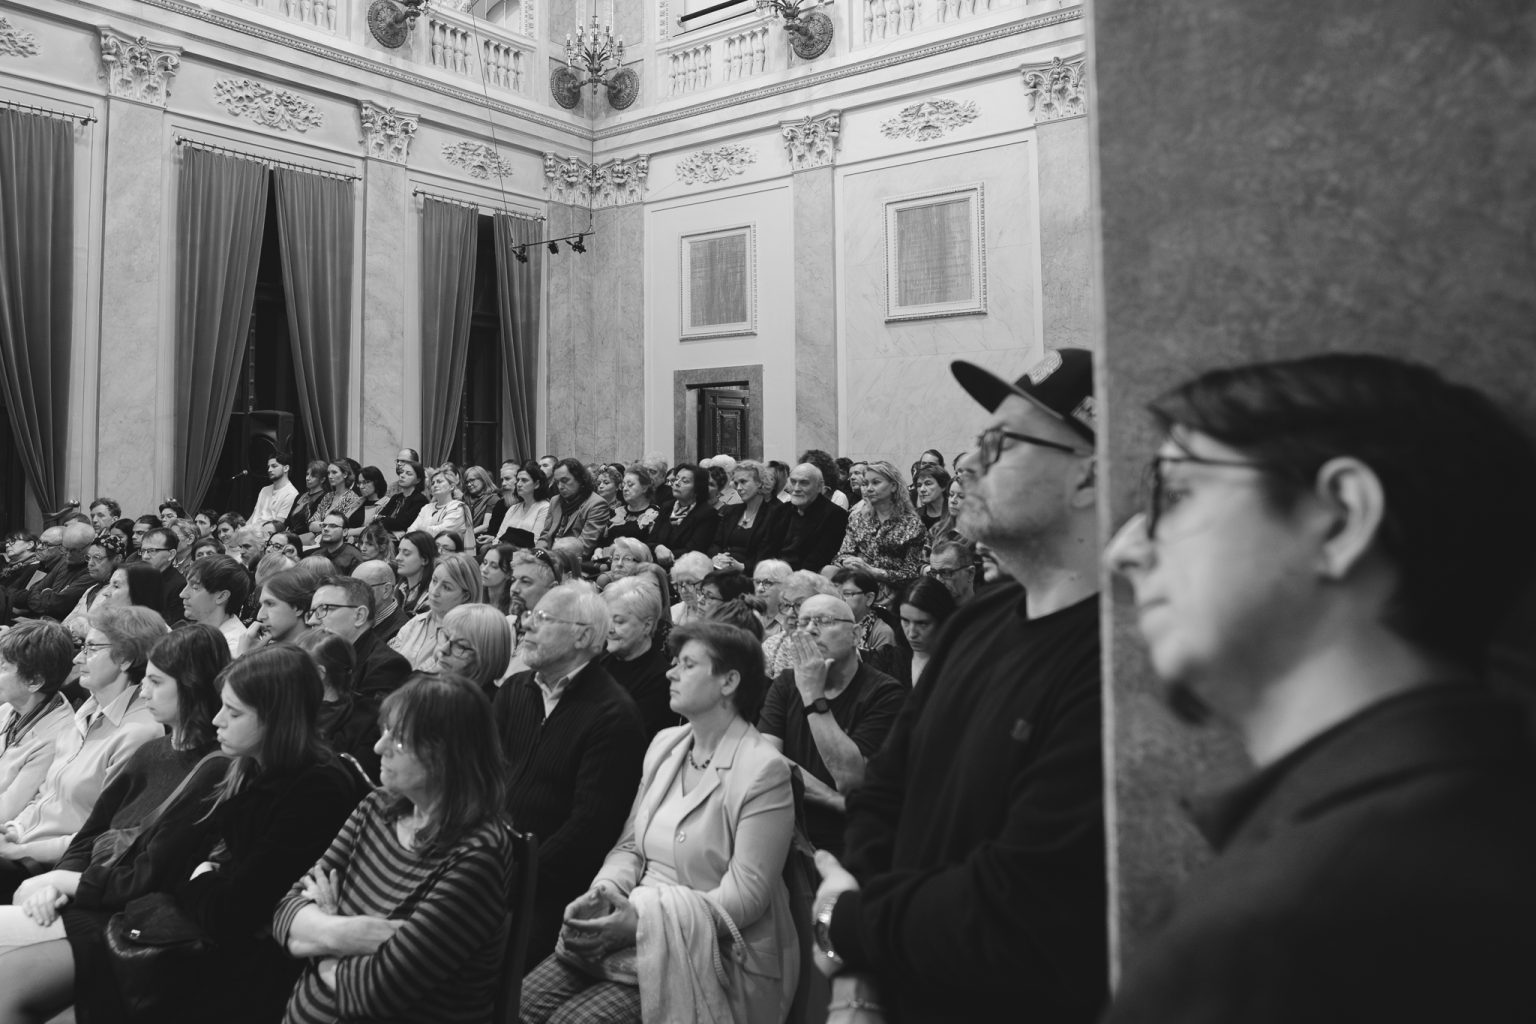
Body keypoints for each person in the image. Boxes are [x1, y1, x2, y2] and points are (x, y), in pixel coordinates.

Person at [1100, 355, 1536, 1023]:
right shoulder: (1480, 819)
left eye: (1176, 492)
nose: (1125, 551)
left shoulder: (1278, 931)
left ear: (1340, 519)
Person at [812, 349, 1107, 1022]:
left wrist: (853, 924)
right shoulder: (980, 616)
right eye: (979, 440)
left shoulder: (1110, 660)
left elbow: (1020, 902)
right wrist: (867, 959)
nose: (970, 461)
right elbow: (886, 789)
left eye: (1002, 444)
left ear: (1088, 476)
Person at [520, 621, 798, 1024]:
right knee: (521, 1004)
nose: (671, 673)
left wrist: (641, 921)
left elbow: (746, 898)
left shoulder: (764, 770)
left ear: (729, 682)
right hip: (632, 918)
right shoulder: (666, 744)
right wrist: (605, 892)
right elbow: (630, 846)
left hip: (708, 948)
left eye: (687, 665)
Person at [75, 645, 364, 1022]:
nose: (217, 720)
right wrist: (205, 877)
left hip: (252, 974)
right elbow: (186, 872)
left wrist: (202, 877)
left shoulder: (316, 789)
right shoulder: (249, 766)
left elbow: (233, 913)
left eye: (234, 712)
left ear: (278, 718)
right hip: (207, 944)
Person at [0, 626, 231, 1023]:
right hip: (88, 894)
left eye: (156, 682)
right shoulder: (154, 750)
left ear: (191, 686)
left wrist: (67, 883)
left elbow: (154, 872)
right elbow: (93, 832)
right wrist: (58, 880)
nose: (144, 692)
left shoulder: (214, 769)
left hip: (124, 919)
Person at [274, 673, 515, 1024]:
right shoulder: (377, 806)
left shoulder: (479, 856)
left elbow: (373, 994)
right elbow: (284, 913)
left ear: (447, 755)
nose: (378, 747)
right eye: (385, 731)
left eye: (399, 740)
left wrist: (318, 938)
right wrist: (348, 933)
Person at [493, 582, 646, 968]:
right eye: (530, 615)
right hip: (488, 863)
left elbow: (588, 830)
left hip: (545, 892)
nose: (527, 624)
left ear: (582, 636)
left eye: (543, 618)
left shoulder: (613, 715)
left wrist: (513, 879)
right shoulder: (514, 690)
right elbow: (482, 780)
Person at [0, 607, 168, 899]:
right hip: (21, 844)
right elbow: (46, 797)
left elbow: (101, 836)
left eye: (91, 649)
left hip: (52, 868)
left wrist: (21, 849)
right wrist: (14, 829)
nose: (78, 659)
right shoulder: (87, 711)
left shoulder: (139, 733)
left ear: (125, 659)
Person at [758, 594, 904, 856]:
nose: (810, 630)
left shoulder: (885, 693)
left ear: (856, 634)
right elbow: (766, 762)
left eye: (824, 621)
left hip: (850, 840)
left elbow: (851, 781)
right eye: (803, 622)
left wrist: (813, 696)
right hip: (788, 830)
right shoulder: (786, 683)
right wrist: (832, 799)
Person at [0, 623, 77, 824]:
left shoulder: (56, 738)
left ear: (34, 682)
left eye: (3, 667)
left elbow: (6, 811)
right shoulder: (9, 708)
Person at [296, 629, 381, 783]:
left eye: (294, 666)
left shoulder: (365, 720)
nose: (286, 672)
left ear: (319, 673)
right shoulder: (295, 709)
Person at [309, 575, 412, 699]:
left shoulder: (388, 666)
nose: (311, 620)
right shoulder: (323, 656)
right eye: (312, 612)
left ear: (359, 616)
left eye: (323, 609)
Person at [831, 460, 926, 589]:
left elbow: (912, 573)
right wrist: (846, 561)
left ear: (893, 486)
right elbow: (841, 555)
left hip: (894, 590)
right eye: (865, 483)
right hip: (858, 585)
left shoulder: (912, 524)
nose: (869, 489)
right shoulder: (857, 519)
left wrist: (875, 572)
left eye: (875, 483)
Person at [600, 576, 674, 738]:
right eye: (607, 619)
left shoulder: (661, 681)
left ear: (647, 625)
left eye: (619, 622)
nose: (609, 629)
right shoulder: (600, 659)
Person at [388, 552, 481, 672]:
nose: (434, 591)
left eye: (446, 587)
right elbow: (388, 664)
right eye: (434, 581)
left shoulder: (466, 639)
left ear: (465, 596)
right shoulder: (416, 621)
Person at [757, 463, 848, 573]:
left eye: (804, 483)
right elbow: (765, 549)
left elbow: (818, 560)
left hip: (806, 577)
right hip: (772, 573)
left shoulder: (835, 515)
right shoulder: (781, 511)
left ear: (819, 486)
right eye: (793, 482)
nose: (796, 488)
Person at [761, 570, 838, 678]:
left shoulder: (838, 647)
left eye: (799, 605)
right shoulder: (772, 645)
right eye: (786, 605)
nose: (789, 613)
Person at [433, 602, 513, 700]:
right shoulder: (430, 690)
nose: (444, 649)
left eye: (461, 646)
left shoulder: (490, 706)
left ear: (488, 658)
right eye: (446, 636)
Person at [538, 459, 613, 559]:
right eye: (557, 482)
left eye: (565, 481)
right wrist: (537, 553)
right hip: (548, 557)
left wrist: (551, 558)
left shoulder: (596, 504)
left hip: (573, 561)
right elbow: (545, 536)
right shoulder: (555, 501)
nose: (560, 486)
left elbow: (584, 547)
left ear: (580, 479)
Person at [18, 523, 95, 621]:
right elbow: (33, 589)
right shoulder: (65, 562)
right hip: (40, 619)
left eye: (73, 550)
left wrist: (43, 598)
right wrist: (45, 598)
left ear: (89, 547)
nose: (68, 554)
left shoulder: (91, 571)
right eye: (65, 549)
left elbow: (56, 606)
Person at [181, 554, 253, 656]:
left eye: (195, 588)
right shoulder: (197, 631)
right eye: (186, 585)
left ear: (222, 596)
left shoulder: (231, 649)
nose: (182, 594)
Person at [708, 458, 773, 572]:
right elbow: (715, 543)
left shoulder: (773, 514)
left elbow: (768, 553)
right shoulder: (731, 511)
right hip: (721, 569)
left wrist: (742, 567)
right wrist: (716, 557)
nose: (738, 488)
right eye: (736, 483)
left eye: (743, 482)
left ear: (759, 483)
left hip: (752, 573)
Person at [651, 462, 718, 564]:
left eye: (685, 481)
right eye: (676, 479)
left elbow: (695, 550)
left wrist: (667, 555)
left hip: (687, 565)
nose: (677, 483)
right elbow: (651, 540)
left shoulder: (707, 513)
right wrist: (657, 548)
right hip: (657, 561)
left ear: (697, 489)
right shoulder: (667, 507)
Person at [832, 567, 897, 659]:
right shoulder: (828, 622)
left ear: (869, 598)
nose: (839, 599)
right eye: (835, 593)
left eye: (847, 594)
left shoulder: (882, 632)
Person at [597, 464, 663, 553]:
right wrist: (598, 551)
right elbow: (601, 543)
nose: (625, 489)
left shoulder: (655, 514)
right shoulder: (616, 512)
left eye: (630, 485)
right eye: (623, 485)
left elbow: (652, 545)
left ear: (644, 488)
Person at [408, 467, 473, 550]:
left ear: (452, 487)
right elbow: (411, 530)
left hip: (448, 553)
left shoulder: (458, 508)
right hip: (423, 549)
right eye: (432, 483)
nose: (435, 485)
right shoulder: (426, 508)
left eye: (439, 481)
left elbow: (440, 532)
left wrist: (420, 528)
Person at [490, 462, 552, 549]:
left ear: (537, 484)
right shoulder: (513, 508)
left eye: (524, 480)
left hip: (526, 554)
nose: (518, 484)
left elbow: (535, 542)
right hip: (503, 551)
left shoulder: (545, 507)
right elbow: (498, 538)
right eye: (518, 480)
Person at [137, 526, 187, 624]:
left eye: (152, 551)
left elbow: (172, 624)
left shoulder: (179, 586)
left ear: (171, 554)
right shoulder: (137, 576)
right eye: (143, 551)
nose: (145, 556)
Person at [352, 559, 409, 644]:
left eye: (360, 588)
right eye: (351, 589)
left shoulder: (401, 632)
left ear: (386, 590)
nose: (353, 595)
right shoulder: (358, 617)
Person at [308, 460, 363, 538]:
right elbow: (310, 525)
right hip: (318, 539)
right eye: (328, 473)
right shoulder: (328, 496)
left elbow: (340, 527)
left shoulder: (352, 498)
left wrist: (320, 523)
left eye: (334, 472)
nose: (330, 476)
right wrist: (328, 525)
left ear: (345, 474)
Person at [377, 460, 430, 536]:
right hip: (387, 535)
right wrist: (392, 528)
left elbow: (402, 524)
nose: (402, 475)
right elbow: (378, 518)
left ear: (418, 480)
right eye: (401, 472)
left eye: (408, 474)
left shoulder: (420, 500)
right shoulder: (396, 497)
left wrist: (384, 520)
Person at [251, 453, 299, 532]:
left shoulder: (291, 493)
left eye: (274, 466)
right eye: (268, 467)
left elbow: (277, 526)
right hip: (252, 532)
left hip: (267, 534)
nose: (269, 470)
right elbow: (253, 517)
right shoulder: (264, 490)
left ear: (286, 468)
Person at [393, 530, 436, 617]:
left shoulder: (432, 596)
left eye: (406, 553)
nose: (397, 558)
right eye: (399, 551)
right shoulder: (399, 587)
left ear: (424, 559)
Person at [924, 537, 977, 605]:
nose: (938, 580)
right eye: (934, 573)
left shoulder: (987, 609)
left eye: (946, 573)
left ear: (970, 573)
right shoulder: (928, 609)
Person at [912, 463, 955, 546]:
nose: (922, 489)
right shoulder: (914, 516)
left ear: (943, 486)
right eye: (919, 485)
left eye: (928, 483)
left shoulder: (954, 514)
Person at [667, 550, 713, 627]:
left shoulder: (719, 615)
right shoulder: (673, 612)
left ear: (706, 583)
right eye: (680, 584)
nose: (683, 590)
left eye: (689, 583)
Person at [751, 559, 792, 642]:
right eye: (757, 582)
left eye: (768, 583)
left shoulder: (795, 622)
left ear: (786, 586)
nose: (759, 589)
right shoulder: (746, 616)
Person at [346, 465, 390, 536]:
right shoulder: (358, 501)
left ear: (376, 482)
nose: (361, 486)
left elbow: (375, 528)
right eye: (359, 483)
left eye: (365, 482)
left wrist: (346, 533)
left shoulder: (386, 503)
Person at [479, 541, 515, 614]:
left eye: (494, 566)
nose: (484, 570)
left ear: (509, 573)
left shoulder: (514, 608)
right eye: (485, 563)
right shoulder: (474, 597)